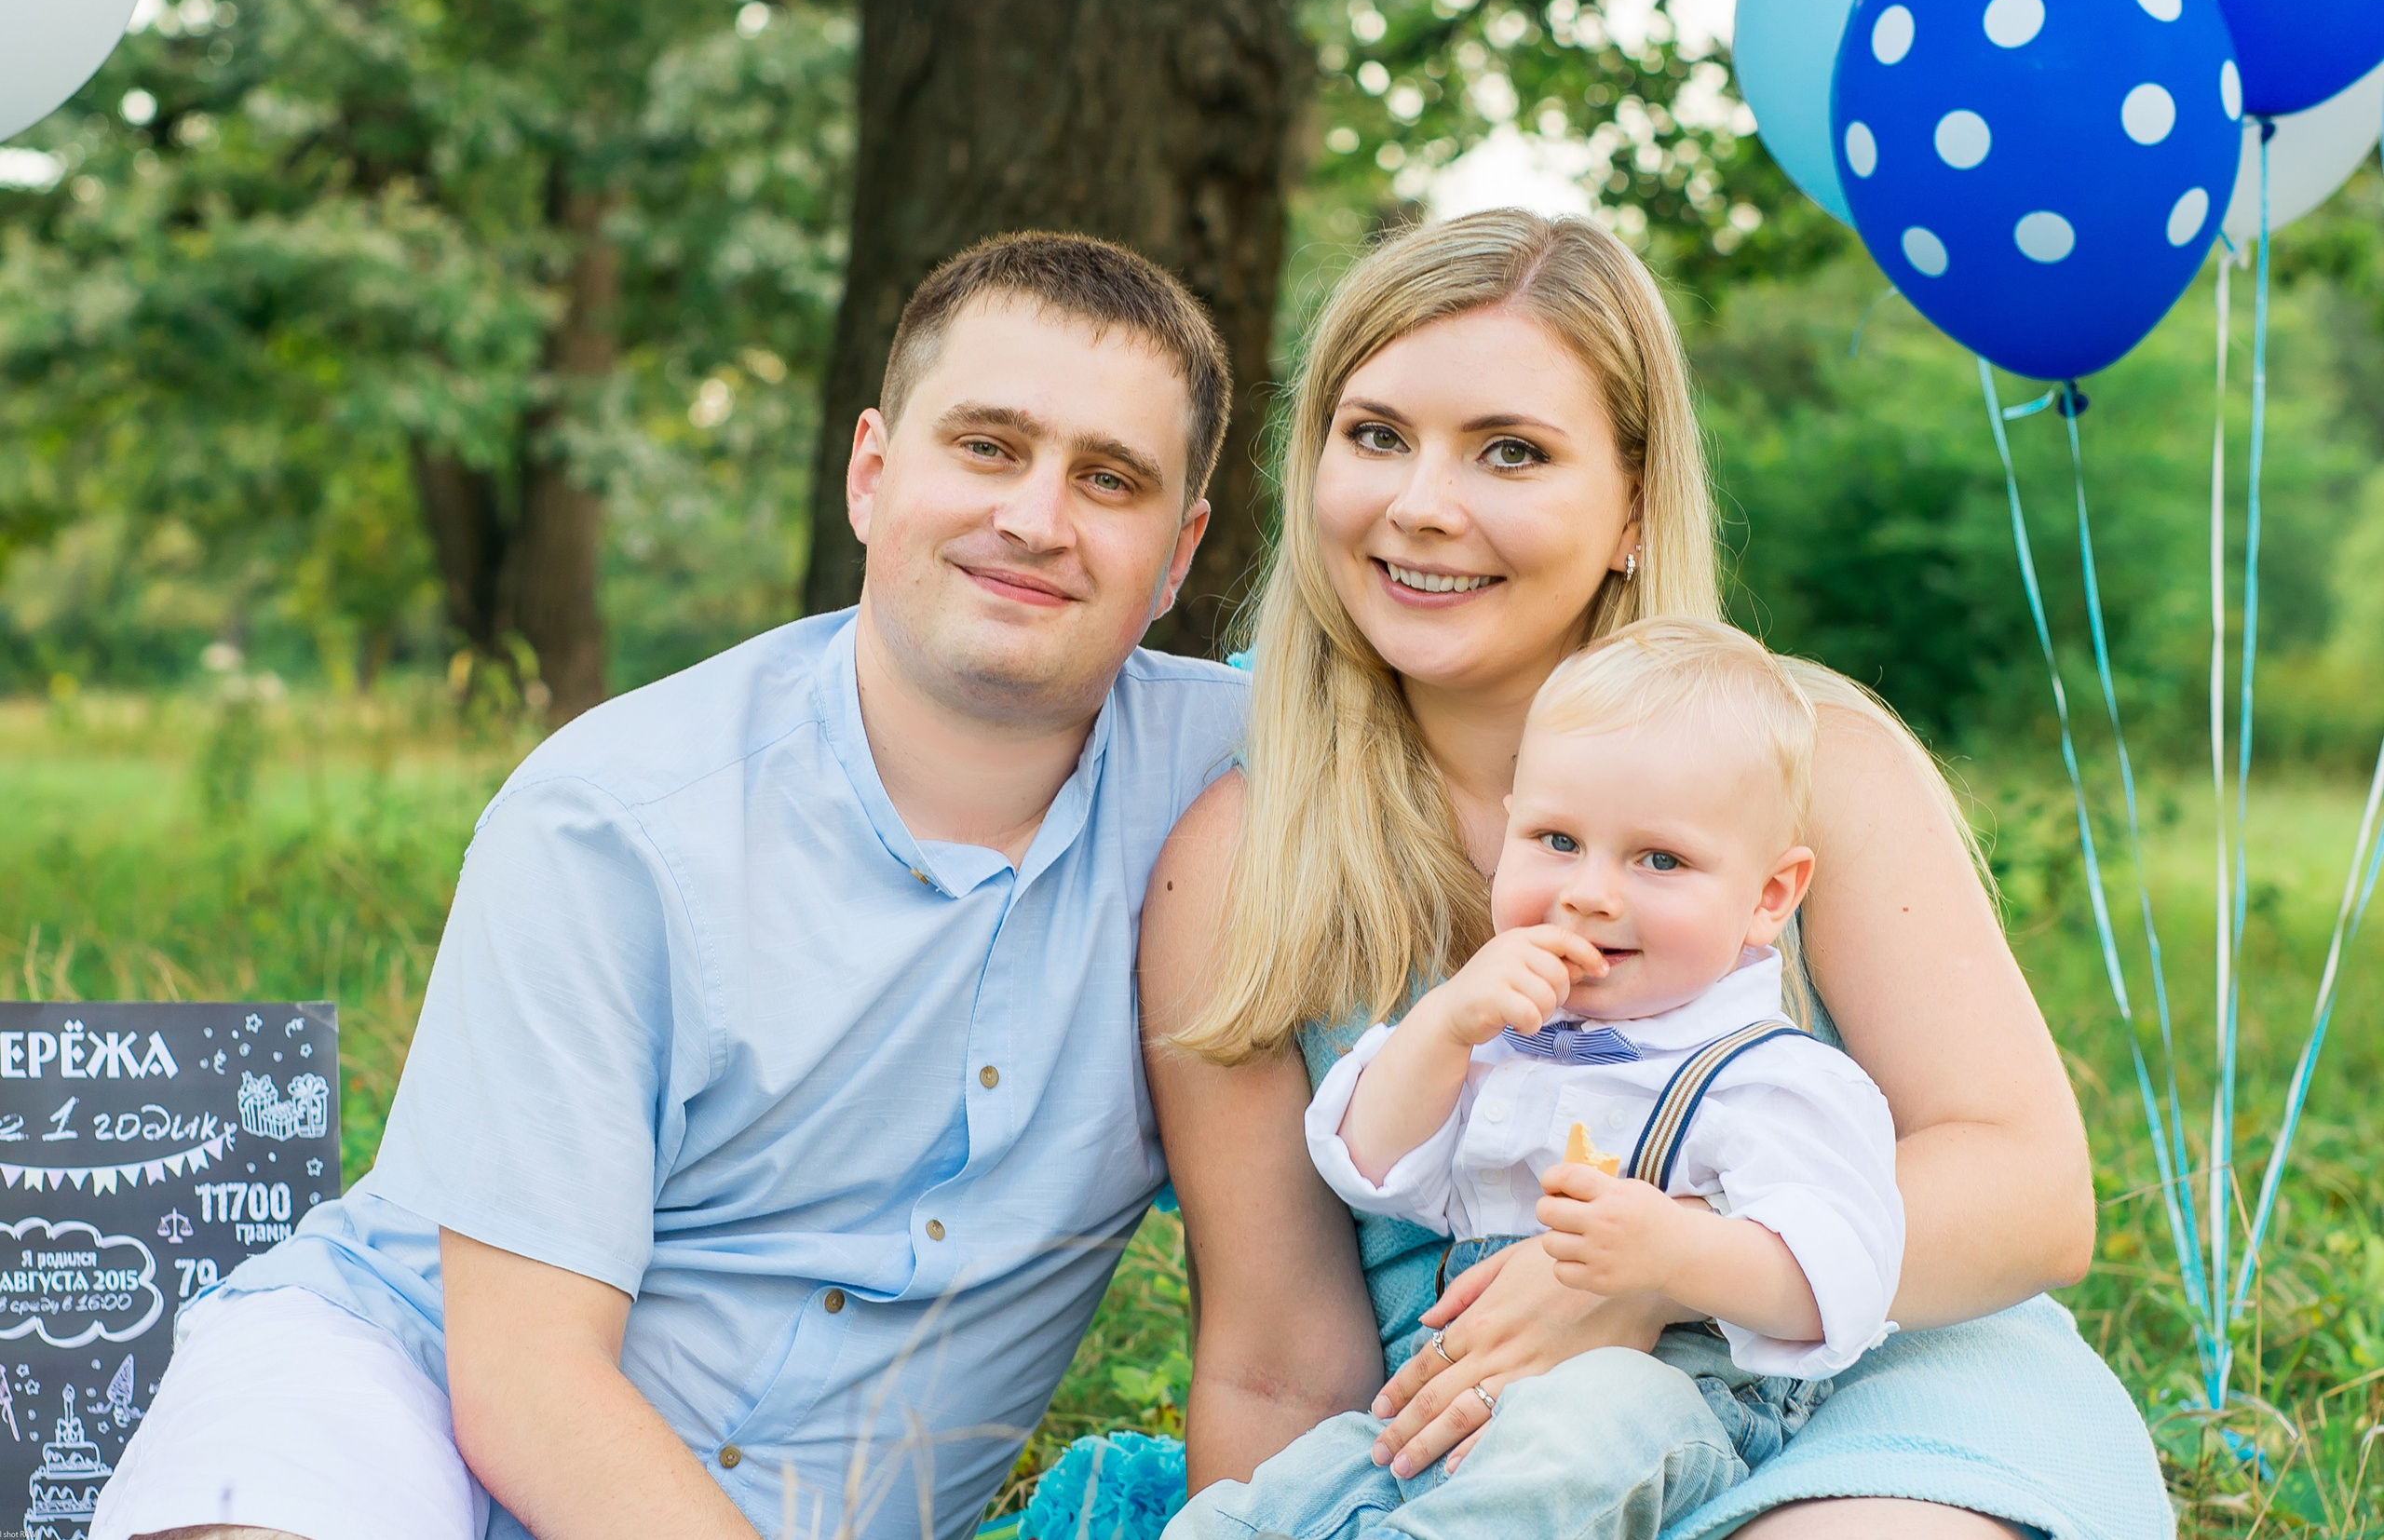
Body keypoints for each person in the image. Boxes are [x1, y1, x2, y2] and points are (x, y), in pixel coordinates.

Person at [94, 232, 1248, 1540]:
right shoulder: (616, 820)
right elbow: (526, 1379)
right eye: (986, 446)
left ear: (1178, 552)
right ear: (871, 473)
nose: (1036, 518)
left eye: (1109, 478)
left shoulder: (1247, 790)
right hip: (410, 1398)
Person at [1139, 209, 2174, 1539]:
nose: (1421, 504)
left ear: (1632, 504)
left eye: (1511, 450)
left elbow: (2030, 1192)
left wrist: (1652, 1276)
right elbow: (1277, 1362)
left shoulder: (1809, 759)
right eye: (1376, 434)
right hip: (1500, 1463)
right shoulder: (1241, 859)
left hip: (1869, 1386)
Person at [1169, 616, 1903, 1540]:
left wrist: (1673, 1254)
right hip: (1463, 1400)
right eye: (1556, 839)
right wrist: (1441, 1027)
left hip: (1671, 1411)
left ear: (1768, 896)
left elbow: (1841, 1274)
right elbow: (1370, 1165)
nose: (1590, 890)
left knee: (1583, 1425)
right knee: (1288, 1492)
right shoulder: (1508, 1041)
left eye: (1660, 858)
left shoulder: (1770, 1078)